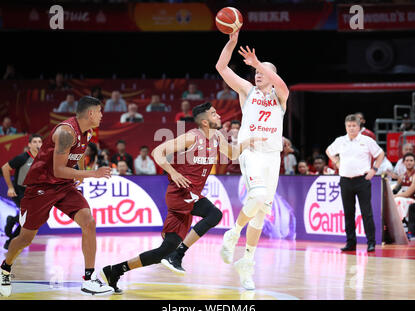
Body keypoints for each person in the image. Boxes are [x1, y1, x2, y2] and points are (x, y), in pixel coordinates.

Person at [100, 102, 263, 294]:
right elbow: (157, 152)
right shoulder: (192, 137)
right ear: (204, 122)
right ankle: (178, 254)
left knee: (164, 250)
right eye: (213, 114)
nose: (218, 115)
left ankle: (115, 271)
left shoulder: (218, 137)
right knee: (215, 214)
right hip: (180, 193)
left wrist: (247, 142)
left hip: (191, 195)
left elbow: (233, 153)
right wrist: (172, 172)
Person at [0, 96, 114, 297]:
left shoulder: (87, 132)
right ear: (90, 113)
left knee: (89, 222)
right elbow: (59, 169)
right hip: (40, 187)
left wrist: (81, 174)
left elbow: (76, 158)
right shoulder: (65, 132)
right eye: (100, 111)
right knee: (26, 238)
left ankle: (89, 279)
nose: (102, 115)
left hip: (64, 186)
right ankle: (4, 269)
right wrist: (91, 174)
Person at [216, 30, 289, 290]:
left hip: (272, 159)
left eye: (264, 71)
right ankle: (233, 233)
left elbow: (282, 86)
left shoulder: (280, 97)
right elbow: (221, 67)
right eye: (256, 71)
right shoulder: (248, 91)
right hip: (252, 153)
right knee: (257, 197)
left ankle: (247, 263)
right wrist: (232, 42)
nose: (258, 74)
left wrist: (260, 63)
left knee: (260, 215)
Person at [326, 114, 384, 253]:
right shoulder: (341, 140)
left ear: (359, 127)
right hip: (345, 181)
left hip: (362, 180)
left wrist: (374, 169)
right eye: (349, 126)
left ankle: (371, 243)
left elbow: (380, 154)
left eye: (354, 126)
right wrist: (337, 162)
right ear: (346, 127)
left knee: (366, 213)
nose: (351, 128)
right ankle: (350, 242)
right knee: (348, 213)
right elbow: (328, 151)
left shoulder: (366, 140)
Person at [1, 134, 43, 250]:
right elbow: (5, 168)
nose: (37, 144)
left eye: (39, 141)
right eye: (34, 142)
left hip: (34, 193)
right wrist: (10, 187)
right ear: (29, 145)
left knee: (27, 219)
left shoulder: (43, 159)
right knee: (27, 218)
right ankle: (10, 241)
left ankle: (12, 220)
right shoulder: (22, 158)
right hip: (20, 192)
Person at [392, 153, 415, 224]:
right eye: (407, 160)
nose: (409, 162)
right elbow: (395, 190)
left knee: (397, 200)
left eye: (411, 161)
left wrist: (394, 196)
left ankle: (399, 223)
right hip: (403, 198)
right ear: (403, 162)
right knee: (391, 200)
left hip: (413, 199)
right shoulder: (402, 175)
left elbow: (408, 194)